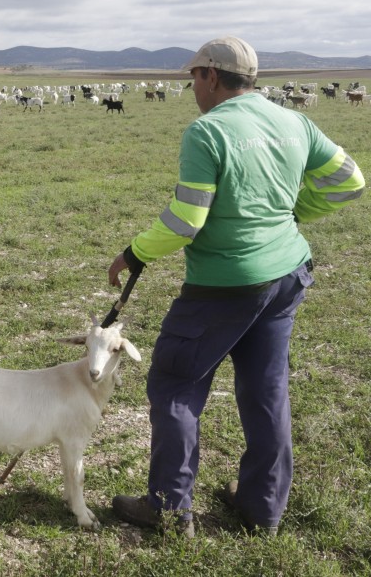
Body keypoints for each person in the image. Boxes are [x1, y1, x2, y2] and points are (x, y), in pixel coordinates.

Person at [109, 36, 364, 537]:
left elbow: (187, 219)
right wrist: (292, 213)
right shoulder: (294, 121)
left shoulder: (207, 132)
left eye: (193, 78)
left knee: (176, 384)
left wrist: (134, 253)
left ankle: (167, 508)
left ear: (210, 76)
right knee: (266, 389)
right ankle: (262, 509)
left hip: (223, 285)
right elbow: (350, 180)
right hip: (286, 275)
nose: (193, 88)